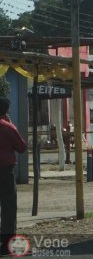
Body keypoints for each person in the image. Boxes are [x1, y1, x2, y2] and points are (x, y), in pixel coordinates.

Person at [0, 97, 27, 256]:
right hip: (5, 171)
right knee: (8, 207)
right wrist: (11, 124)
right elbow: (22, 147)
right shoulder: (8, 127)